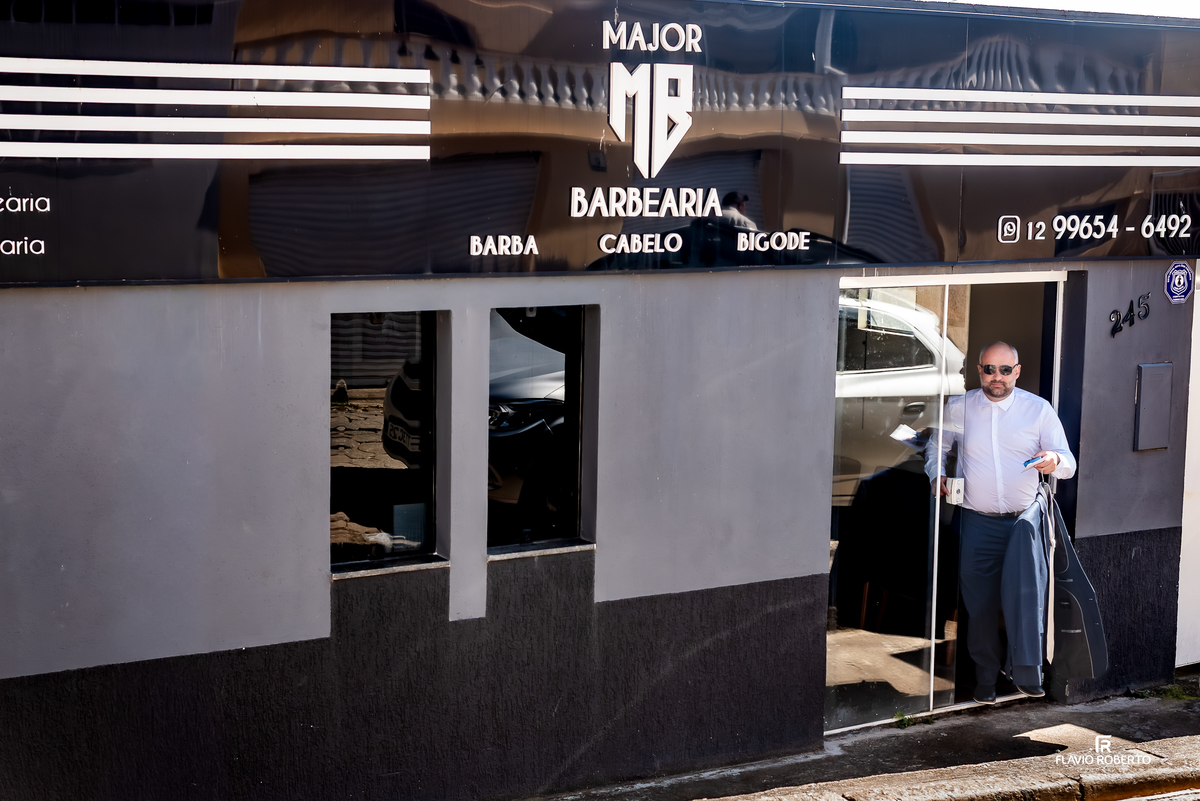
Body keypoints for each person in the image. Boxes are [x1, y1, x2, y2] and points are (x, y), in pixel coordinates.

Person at [925, 341, 1076, 704]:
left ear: (1017, 372)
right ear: (979, 370)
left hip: (1023, 524)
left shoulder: (1037, 410)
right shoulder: (960, 407)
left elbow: (1069, 463)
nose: (997, 377)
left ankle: (1027, 674)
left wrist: (1053, 458)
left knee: (1026, 600)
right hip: (977, 523)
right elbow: (936, 448)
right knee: (979, 608)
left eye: (1005, 370)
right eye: (989, 369)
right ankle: (985, 681)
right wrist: (936, 474)